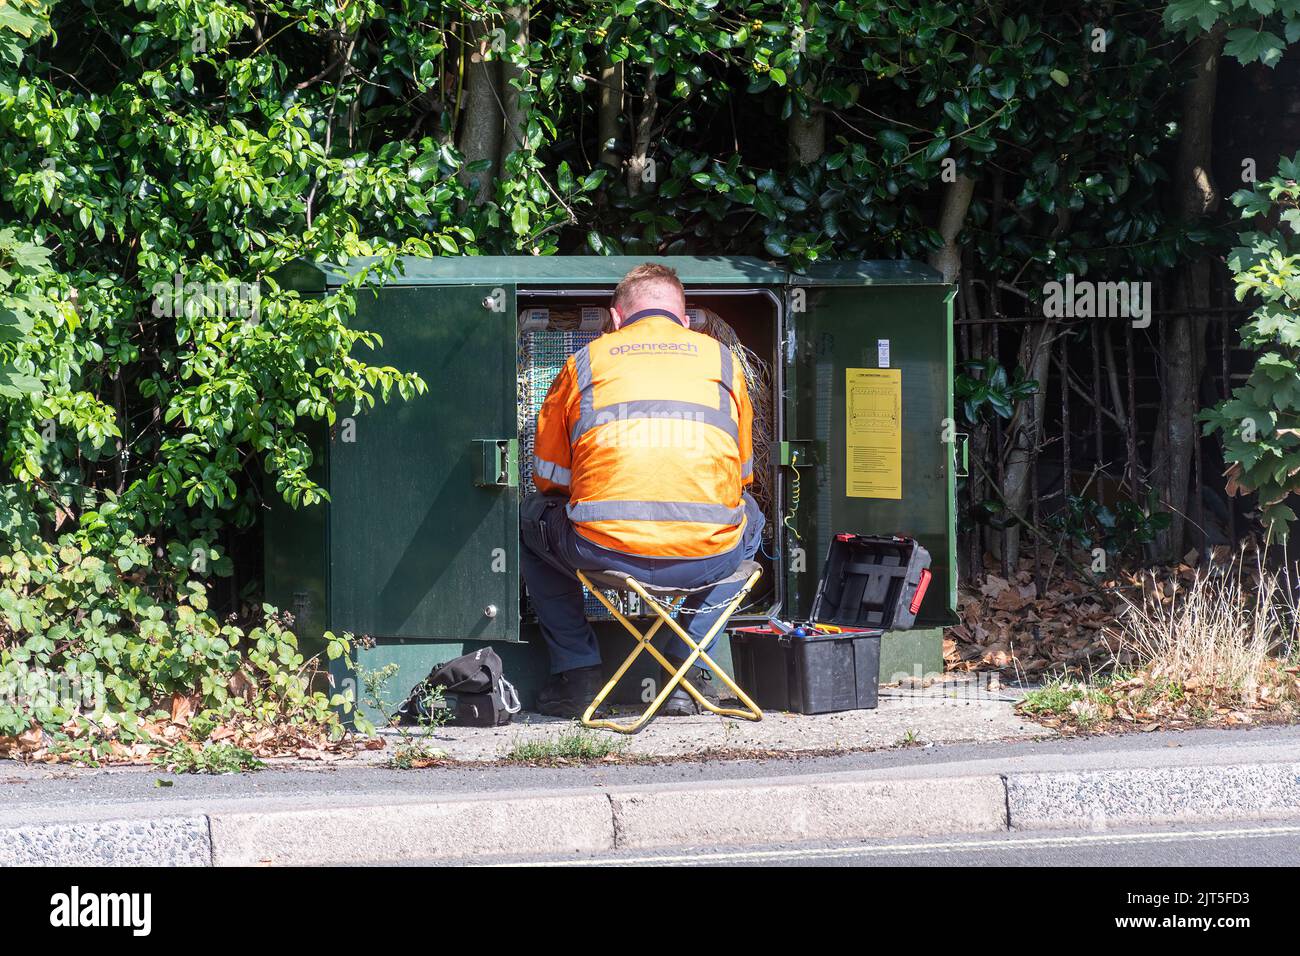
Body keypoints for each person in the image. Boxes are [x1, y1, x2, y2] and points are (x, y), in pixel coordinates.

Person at [520, 262, 765, 718]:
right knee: (752, 522)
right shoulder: (723, 361)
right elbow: (743, 474)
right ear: (685, 317)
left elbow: (549, 477)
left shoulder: (585, 361)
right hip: (705, 557)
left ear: (615, 318)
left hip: (601, 554)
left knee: (533, 519)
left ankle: (578, 676)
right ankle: (680, 670)